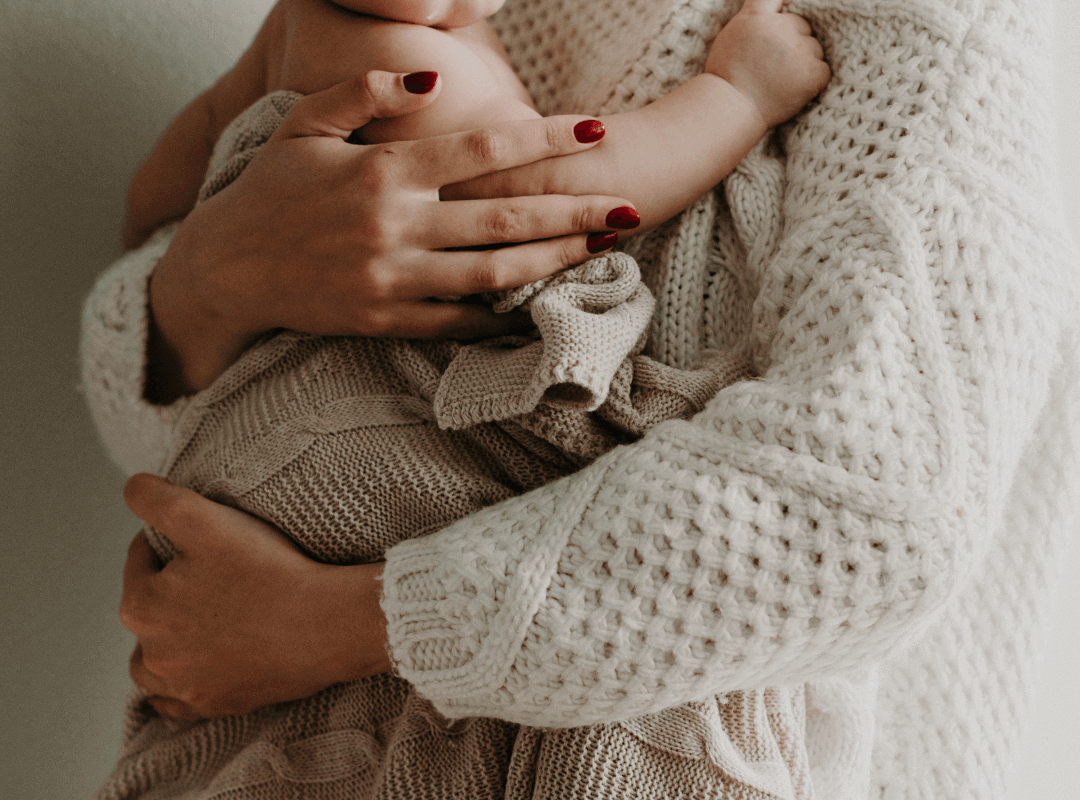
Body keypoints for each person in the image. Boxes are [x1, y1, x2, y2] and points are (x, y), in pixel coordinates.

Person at [83, 0, 1080, 797]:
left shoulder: (941, 35)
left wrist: (331, 621)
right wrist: (216, 273)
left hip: (575, 707)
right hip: (303, 664)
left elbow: (874, 512)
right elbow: (170, 410)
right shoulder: (390, 39)